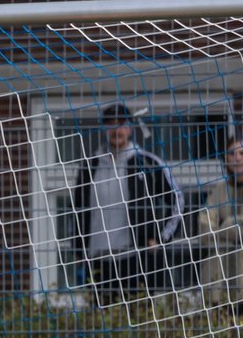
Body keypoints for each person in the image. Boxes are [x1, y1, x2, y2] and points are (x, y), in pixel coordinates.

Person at [71, 103, 183, 301]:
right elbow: (78, 210)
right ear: (104, 128)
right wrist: (79, 249)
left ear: (130, 127)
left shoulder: (147, 162)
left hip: (135, 259)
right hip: (97, 262)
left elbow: (178, 200)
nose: (117, 130)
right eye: (111, 124)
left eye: (121, 124)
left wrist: (160, 237)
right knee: (101, 325)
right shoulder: (90, 166)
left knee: (138, 321)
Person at [197, 137, 243, 310]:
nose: (237, 158)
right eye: (231, 154)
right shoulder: (219, 190)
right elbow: (204, 226)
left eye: (241, 153)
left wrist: (226, 224)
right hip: (221, 281)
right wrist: (227, 231)